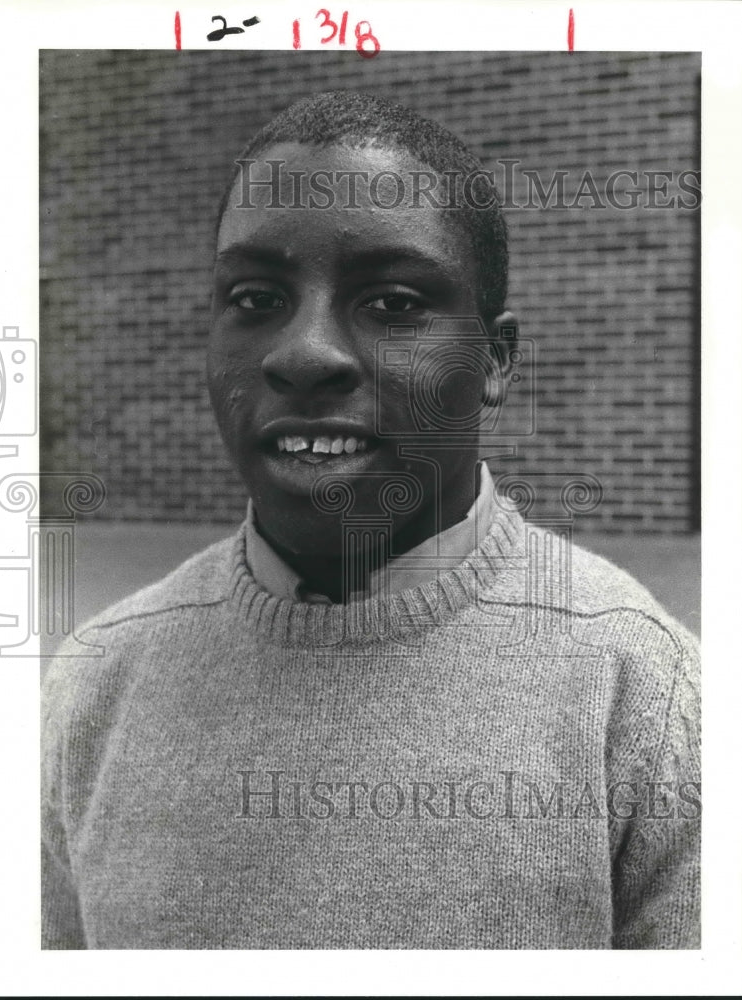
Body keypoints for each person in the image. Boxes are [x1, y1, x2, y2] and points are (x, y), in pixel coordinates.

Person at [41, 91, 700, 949]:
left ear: (493, 360)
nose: (304, 353)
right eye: (253, 297)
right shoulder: (96, 679)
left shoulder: (644, 696)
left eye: (391, 303)